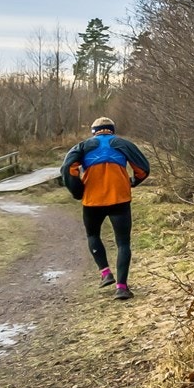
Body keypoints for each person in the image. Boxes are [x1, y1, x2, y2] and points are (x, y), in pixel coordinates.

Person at [61, 117, 151, 300]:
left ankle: (105, 273)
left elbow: (68, 168)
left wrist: (77, 190)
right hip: (119, 199)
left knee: (93, 235)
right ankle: (122, 288)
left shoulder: (83, 146)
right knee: (123, 243)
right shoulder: (123, 144)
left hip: (92, 201)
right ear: (112, 130)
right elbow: (143, 168)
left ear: (94, 131)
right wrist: (133, 181)